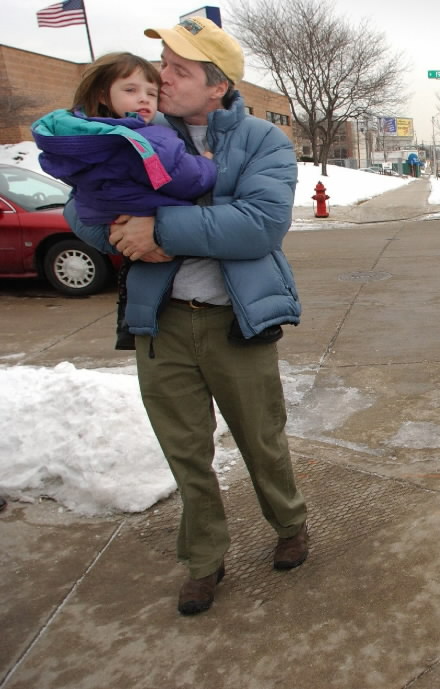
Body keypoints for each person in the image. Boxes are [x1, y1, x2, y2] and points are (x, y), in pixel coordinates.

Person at [65, 17, 308, 616]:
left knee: (262, 440)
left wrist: (161, 230)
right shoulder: (136, 131)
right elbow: (83, 215)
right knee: (185, 450)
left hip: (236, 323)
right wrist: (115, 221)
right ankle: (204, 559)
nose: (159, 79)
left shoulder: (261, 142)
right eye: (161, 65)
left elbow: (260, 225)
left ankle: (289, 524)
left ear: (216, 86)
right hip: (162, 321)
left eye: (177, 69)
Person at [32, 52, 218, 350]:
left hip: (103, 214)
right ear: (103, 94)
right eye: (130, 91)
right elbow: (188, 181)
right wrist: (208, 163)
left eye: (151, 93)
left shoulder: (85, 138)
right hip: (141, 212)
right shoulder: (143, 140)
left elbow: (78, 193)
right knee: (207, 213)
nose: (143, 99)